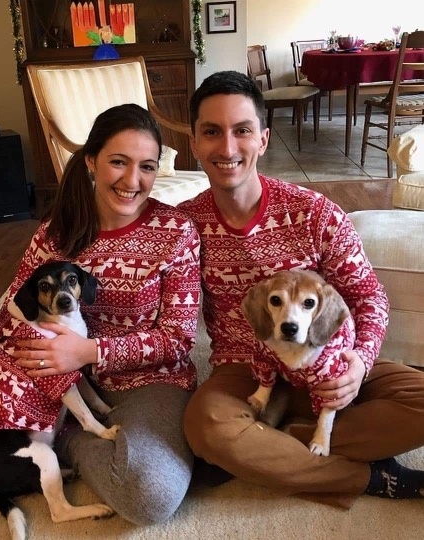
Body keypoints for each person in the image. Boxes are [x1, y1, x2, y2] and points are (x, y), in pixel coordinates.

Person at [0, 103, 202, 525]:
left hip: (147, 379)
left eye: (146, 166)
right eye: (118, 162)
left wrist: (89, 352)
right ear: (91, 160)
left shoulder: (175, 232)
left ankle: (65, 440)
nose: (133, 180)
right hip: (48, 375)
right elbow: (8, 324)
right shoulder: (56, 230)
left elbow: (179, 341)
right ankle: (53, 432)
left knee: (150, 495)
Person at [178, 71, 424, 508]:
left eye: (242, 131)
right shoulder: (183, 225)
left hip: (328, 363)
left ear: (264, 139)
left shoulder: (315, 214)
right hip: (247, 370)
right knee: (204, 427)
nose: (228, 148)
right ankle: (365, 476)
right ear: (194, 143)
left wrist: (359, 365)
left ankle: (272, 442)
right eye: (212, 132)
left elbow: (369, 298)